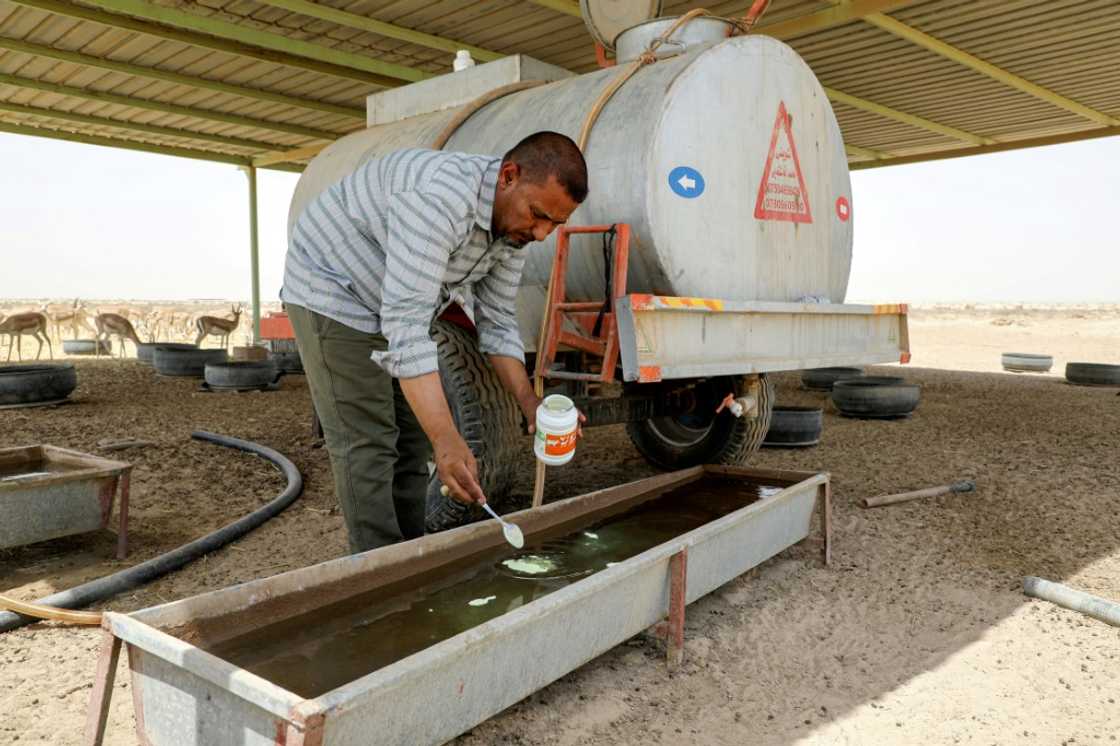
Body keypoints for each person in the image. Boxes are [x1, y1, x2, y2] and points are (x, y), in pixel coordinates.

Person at [282, 132, 588, 553]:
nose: (541, 234)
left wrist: (528, 402)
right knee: (368, 442)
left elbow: (497, 321)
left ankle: (410, 556)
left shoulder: (513, 229)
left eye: (555, 223)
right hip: (335, 288)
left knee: (411, 440)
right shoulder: (440, 201)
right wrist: (447, 438)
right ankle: (377, 577)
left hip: (393, 300)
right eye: (537, 215)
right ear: (509, 176)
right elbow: (406, 326)